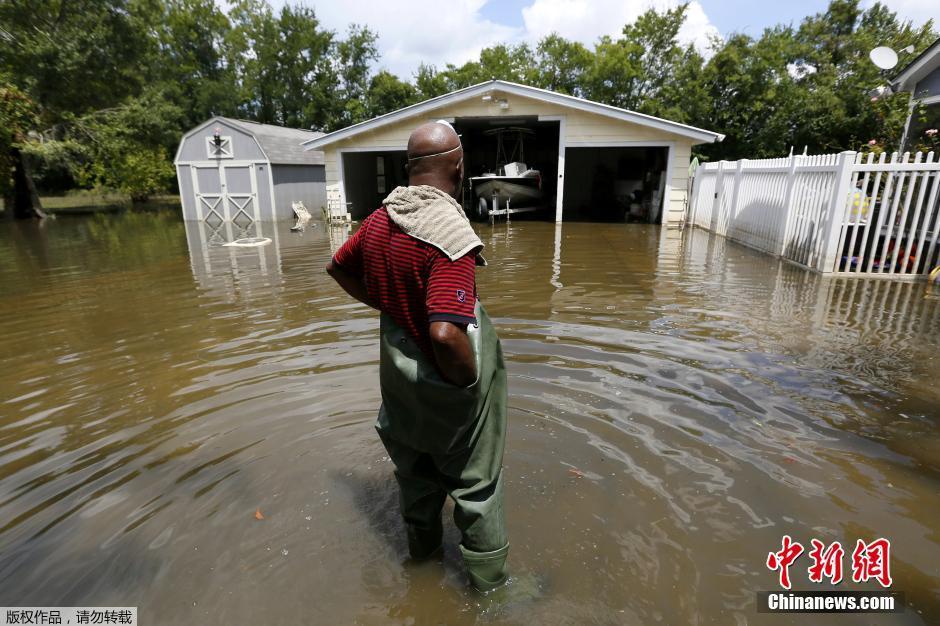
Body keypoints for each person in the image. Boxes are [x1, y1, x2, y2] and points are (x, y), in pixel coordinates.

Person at [326, 121, 509, 592]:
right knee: (476, 486)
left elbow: (338, 268)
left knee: (416, 474)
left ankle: (423, 567)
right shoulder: (449, 232)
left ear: (410, 169)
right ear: (458, 164)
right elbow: (446, 334)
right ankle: (494, 590)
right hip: (445, 375)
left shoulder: (381, 221)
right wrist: (468, 385)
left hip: (399, 380)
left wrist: (388, 304)